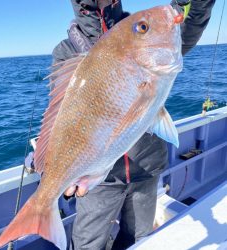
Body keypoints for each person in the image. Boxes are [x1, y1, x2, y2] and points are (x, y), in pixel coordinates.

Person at [51, 1, 216, 249]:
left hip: (145, 170)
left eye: (142, 28)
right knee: (87, 245)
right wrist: (53, 169)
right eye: (142, 27)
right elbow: (61, 118)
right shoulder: (67, 51)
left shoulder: (140, 29)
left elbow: (186, 26)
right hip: (100, 178)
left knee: (138, 240)